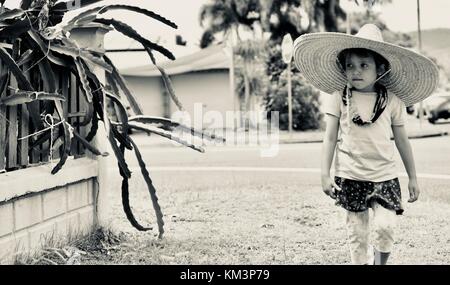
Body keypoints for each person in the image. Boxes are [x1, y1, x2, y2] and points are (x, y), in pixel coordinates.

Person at [292, 24, 439, 265]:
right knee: (357, 234)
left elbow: (402, 140)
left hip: (385, 176)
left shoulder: (392, 100)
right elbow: (329, 137)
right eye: (350, 65)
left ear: (380, 68)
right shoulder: (339, 96)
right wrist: (324, 173)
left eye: (364, 65)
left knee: (385, 227)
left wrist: (412, 177)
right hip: (351, 175)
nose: (356, 71)